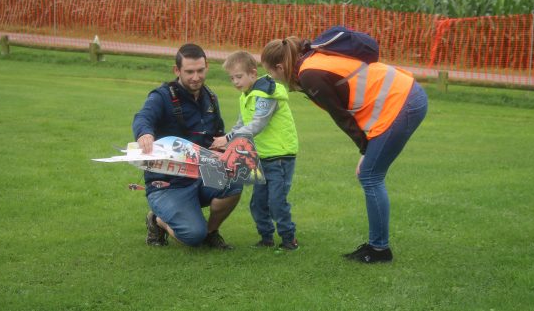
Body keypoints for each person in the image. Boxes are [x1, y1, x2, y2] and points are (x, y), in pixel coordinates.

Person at [260, 37, 428, 263]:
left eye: (271, 73)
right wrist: (366, 151)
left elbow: (342, 117)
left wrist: (365, 149)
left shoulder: (309, 75)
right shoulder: (312, 57)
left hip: (400, 101)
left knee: (370, 176)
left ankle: (379, 250)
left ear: (280, 67)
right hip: (405, 95)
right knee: (369, 174)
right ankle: (377, 246)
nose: (273, 78)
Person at [133, 43, 242, 249]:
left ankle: (210, 232)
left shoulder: (210, 97)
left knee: (234, 182)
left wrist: (227, 150)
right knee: (192, 236)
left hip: (200, 175)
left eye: (200, 71)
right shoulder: (162, 96)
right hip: (167, 183)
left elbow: (217, 134)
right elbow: (143, 117)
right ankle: (157, 220)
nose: (196, 77)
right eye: (189, 72)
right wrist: (144, 133)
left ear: (207, 67)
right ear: (177, 70)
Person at [210, 51, 299, 250]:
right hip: (261, 157)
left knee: (276, 202)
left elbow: (258, 123)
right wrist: (225, 140)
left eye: (238, 76)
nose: (235, 81)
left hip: (280, 157)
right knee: (258, 203)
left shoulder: (266, 93)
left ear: (252, 73)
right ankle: (266, 239)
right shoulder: (246, 96)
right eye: (231, 78)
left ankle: (288, 239)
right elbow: (241, 124)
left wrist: (229, 139)